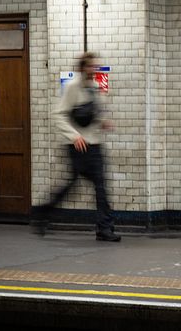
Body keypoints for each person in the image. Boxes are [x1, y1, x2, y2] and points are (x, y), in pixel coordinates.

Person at [33, 52, 121, 242]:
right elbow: (57, 114)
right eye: (90, 66)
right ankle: (42, 213)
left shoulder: (96, 88)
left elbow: (94, 115)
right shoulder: (73, 87)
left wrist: (103, 122)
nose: (94, 69)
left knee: (101, 185)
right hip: (78, 146)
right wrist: (74, 136)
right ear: (82, 68)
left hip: (94, 145)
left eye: (95, 66)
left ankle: (104, 228)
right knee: (73, 185)